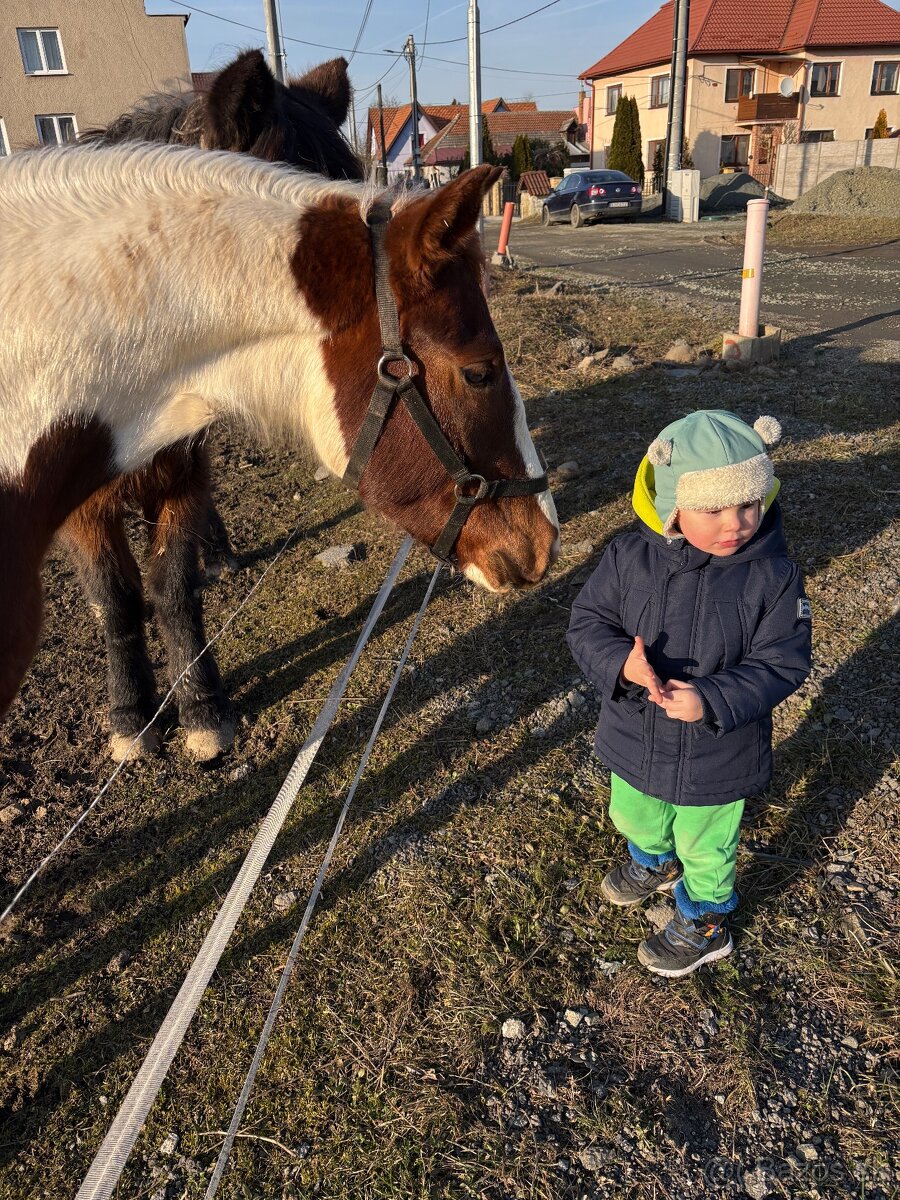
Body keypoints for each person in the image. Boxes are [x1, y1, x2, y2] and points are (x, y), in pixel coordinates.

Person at [567, 410, 811, 978]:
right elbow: (587, 622)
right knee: (633, 810)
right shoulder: (629, 558)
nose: (736, 523)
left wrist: (715, 699)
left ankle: (705, 919)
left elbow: (784, 660)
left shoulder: (773, 576)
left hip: (718, 753)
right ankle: (650, 858)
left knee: (707, 846)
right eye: (714, 508)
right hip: (635, 734)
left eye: (749, 504)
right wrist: (621, 665)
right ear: (673, 505)